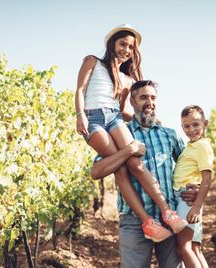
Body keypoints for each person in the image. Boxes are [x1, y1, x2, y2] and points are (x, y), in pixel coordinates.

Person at [91, 80, 196, 268]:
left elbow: (188, 169)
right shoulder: (121, 134)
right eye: (142, 98)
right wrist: (126, 152)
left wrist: (194, 189)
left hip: (169, 220)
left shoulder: (171, 134)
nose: (149, 102)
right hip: (133, 223)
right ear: (132, 102)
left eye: (152, 97)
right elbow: (98, 170)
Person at [75, 24, 187, 242]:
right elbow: (80, 90)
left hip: (114, 118)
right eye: (122, 44)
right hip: (94, 119)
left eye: (130, 47)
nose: (126, 50)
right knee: (122, 170)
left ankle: (167, 212)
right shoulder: (92, 62)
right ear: (112, 44)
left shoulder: (127, 80)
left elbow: (124, 111)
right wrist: (80, 114)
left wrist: (154, 119)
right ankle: (148, 222)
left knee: (136, 163)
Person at [172, 105, 216, 268]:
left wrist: (195, 206)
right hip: (188, 200)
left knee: (183, 247)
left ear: (205, 124)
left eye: (195, 124)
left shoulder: (202, 146)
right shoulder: (191, 146)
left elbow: (207, 179)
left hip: (186, 200)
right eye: (186, 126)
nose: (191, 129)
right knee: (195, 249)